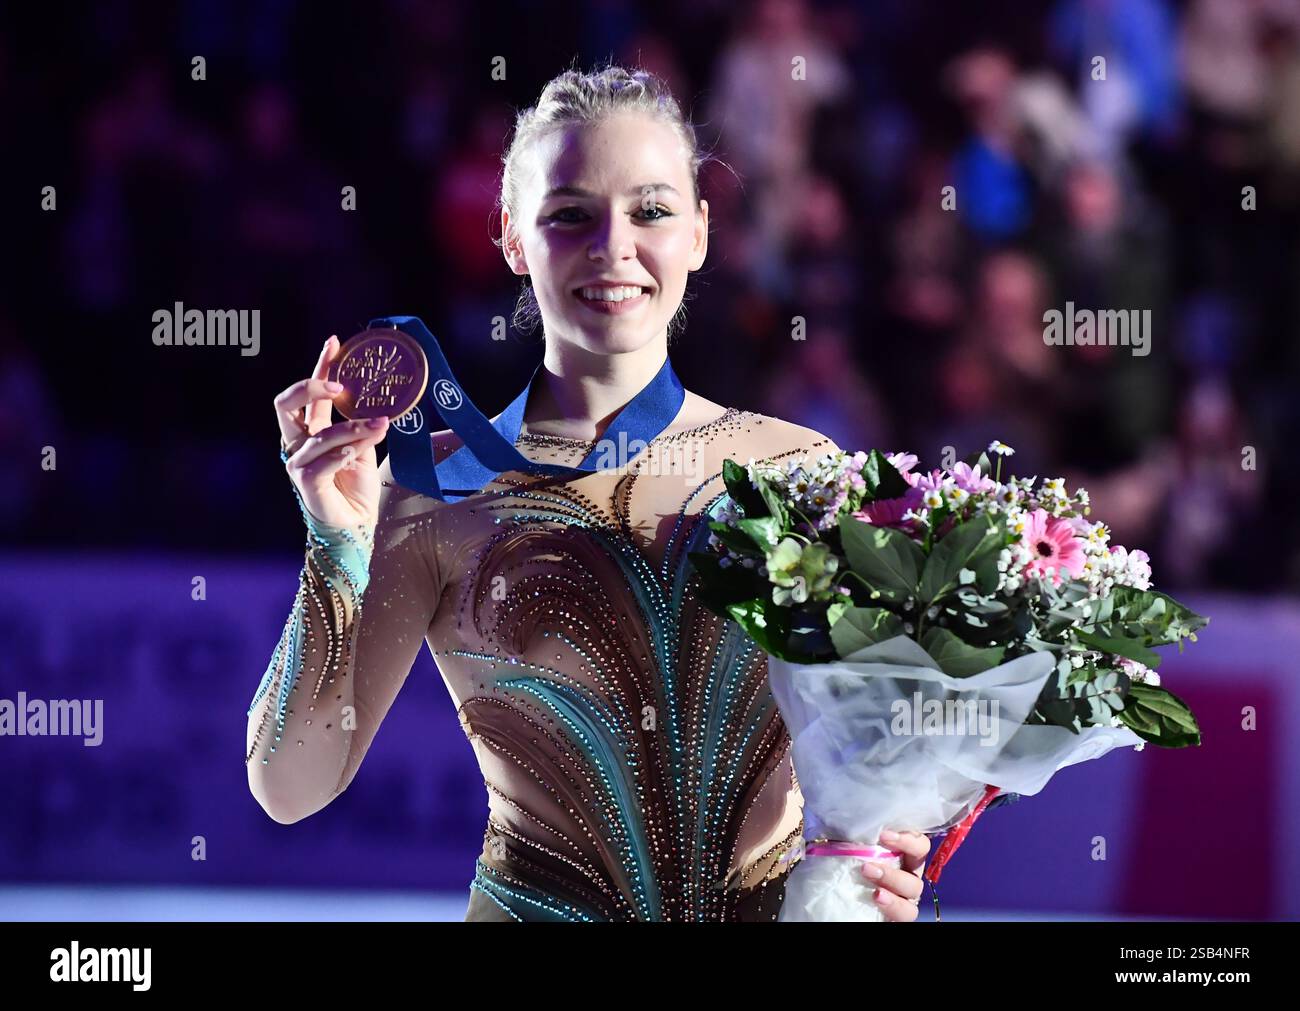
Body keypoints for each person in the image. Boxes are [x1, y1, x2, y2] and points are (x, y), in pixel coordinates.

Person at [246, 63, 929, 921]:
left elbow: (873, 757)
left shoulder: (799, 469)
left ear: (701, 233)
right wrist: (335, 541)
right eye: (570, 214)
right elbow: (290, 784)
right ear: (510, 237)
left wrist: (884, 860)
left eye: (651, 210)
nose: (614, 246)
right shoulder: (435, 486)